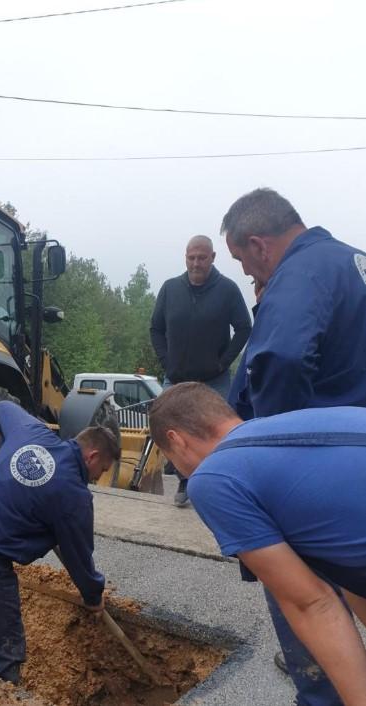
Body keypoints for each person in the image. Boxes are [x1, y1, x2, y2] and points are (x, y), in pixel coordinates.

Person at [221, 187, 366, 706]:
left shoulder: (299, 274)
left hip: (313, 475)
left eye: (241, 259)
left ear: (259, 244)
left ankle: (319, 685)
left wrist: (271, 449)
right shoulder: (351, 261)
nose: (246, 273)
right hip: (354, 463)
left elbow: (280, 356)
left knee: (305, 597)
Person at [148, 383, 366, 706]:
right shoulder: (293, 430)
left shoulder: (213, 478)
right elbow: (349, 565)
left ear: (175, 440)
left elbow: (314, 604)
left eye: (169, 459)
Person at [0, 401, 120, 684]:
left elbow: (1, 407)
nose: (98, 478)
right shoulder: (73, 495)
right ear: (92, 456)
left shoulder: (32, 432)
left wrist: (7, 465)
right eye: (103, 469)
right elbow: (80, 558)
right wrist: (93, 596)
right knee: (1, 659)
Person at [150, 234, 251, 506]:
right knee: (171, 431)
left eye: (202, 258)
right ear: (185, 257)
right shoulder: (170, 289)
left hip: (213, 379)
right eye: (191, 258)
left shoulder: (228, 289)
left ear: (212, 258)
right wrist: (166, 361)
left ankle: (224, 488)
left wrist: (223, 361)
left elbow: (244, 327)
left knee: (219, 434)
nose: (196, 263)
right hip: (177, 377)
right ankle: (185, 481)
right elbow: (156, 329)